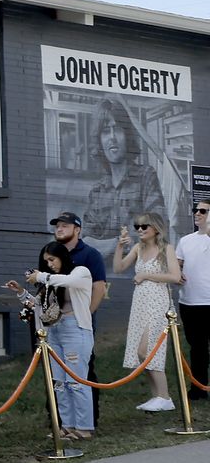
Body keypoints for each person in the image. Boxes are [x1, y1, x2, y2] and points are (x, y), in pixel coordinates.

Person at [5, 241, 95, 438]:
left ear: (62, 257)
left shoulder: (80, 272)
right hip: (53, 331)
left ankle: (84, 427)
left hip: (75, 329)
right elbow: (37, 305)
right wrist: (21, 292)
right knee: (60, 383)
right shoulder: (50, 283)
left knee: (77, 380)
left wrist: (42, 276)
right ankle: (67, 425)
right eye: (47, 261)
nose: (50, 264)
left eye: (52, 259)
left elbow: (68, 282)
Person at [114, 212, 181, 412]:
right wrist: (119, 246)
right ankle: (157, 397)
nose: (140, 230)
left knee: (148, 350)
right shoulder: (137, 248)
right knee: (141, 352)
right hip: (140, 303)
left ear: (156, 229)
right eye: (138, 227)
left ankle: (165, 396)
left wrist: (146, 274)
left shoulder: (166, 249)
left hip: (158, 303)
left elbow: (175, 276)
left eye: (145, 226)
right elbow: (118, 268)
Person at [84, 98, 168, 248]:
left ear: (127, 135)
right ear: (99, 141)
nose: (112, 138)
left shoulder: (146, 177)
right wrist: (121, 242)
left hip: (140, 269)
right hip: (103, 270)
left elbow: (157, 226)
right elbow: (86, 242)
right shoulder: (97, 191)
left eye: (117, 129)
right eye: (105, 132)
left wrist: (108, 245)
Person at [51, 211, 110, 424]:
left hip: (78, 323)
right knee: (58, 376)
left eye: (65, 226)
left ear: (77, 230)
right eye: (57, 225)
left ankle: (87, 421)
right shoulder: (52, 253)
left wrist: (84, 314)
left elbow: (99, 287)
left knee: (83, 373)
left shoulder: (89, 254)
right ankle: (61, 423)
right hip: (55, 323)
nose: (59, 229)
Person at [177, 200, 210, 401]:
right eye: (195, 210)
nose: (197, 213)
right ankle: (199, 388)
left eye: (203, 211)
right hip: (189, 302)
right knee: (197, 347)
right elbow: (177, 264)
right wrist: (177, 273)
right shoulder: (186, 240)